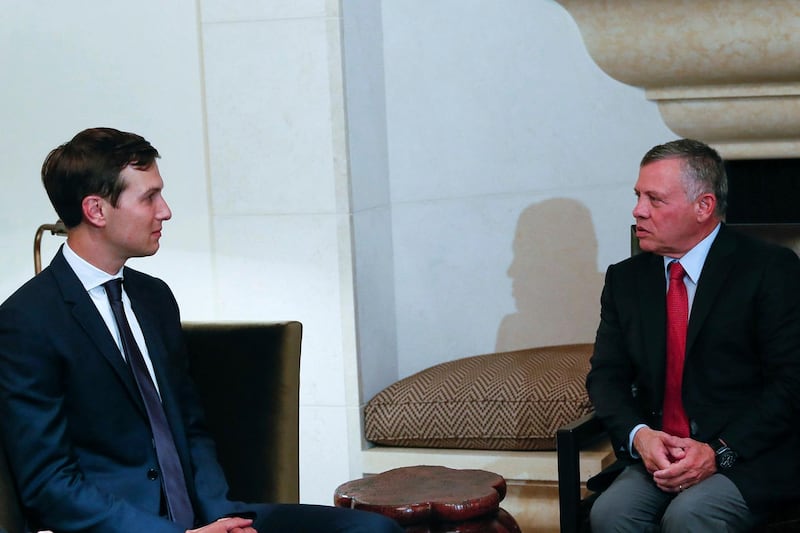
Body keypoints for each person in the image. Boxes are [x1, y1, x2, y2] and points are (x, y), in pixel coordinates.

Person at [0, 127, 402, 533]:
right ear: (96, 210)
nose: (166, 211)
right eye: (149, 197)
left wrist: (220, 516)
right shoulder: (27, 321)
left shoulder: (153, 297)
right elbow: (50, 485)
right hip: (129, 527)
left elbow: (191, 429)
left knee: (371, 530)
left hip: (205, 516)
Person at [586, 138, 800, 531]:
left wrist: (719, 452)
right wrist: (641, 437)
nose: (638, 211)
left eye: (654, 199)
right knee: (611, 513)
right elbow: (606, 376)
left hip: (747, 453)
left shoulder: (770, 270)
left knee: (692, 514)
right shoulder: (625, 280)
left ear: (703, 206)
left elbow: (790, 384)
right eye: (637, 196)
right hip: (660, 452)